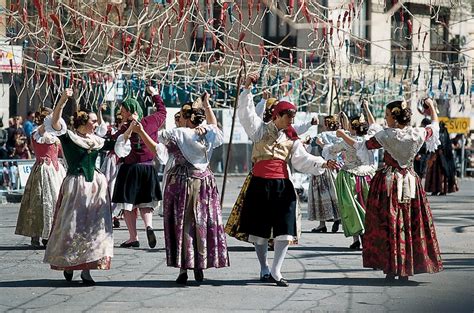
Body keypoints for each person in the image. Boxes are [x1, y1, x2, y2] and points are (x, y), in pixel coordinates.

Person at [236, 74, 338, 287]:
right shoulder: (259, 131)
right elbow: (246, 115)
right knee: (260, 231)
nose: (291, 122)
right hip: (260, 184)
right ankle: (264, 267)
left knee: (285, 229)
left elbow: (302, 161)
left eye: (292, 118)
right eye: (288, 117)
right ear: (276, 116)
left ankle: (276, 270)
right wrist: (247, 91)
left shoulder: (291, 139)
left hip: (283, 185)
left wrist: (323, 163)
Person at [337, 98, 443, 281]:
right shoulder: (417, 134)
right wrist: (432, 106)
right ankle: (406, 267)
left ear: (394, 118)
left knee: (389, 223)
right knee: (409, 223)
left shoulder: (386, 136)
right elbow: (434, 125)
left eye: (386, 115)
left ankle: (391, 267)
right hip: (411, 181)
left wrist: (342, 135)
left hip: (389, 182)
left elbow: (362, 145)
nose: (385, 119)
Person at [132, 93, 229, 285]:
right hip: (205, 183)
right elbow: (215, 125)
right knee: (202, 223)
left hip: (182, 183)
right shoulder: (209, 133)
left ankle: (184, 268)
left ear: (186, 118)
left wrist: (141, 130)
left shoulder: (179, 134)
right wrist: (208, 105)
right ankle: (199, 265)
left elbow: (157, 147)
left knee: (183, 224)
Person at [43, 88, 113, 285]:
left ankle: (87, 270)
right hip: (76, 186)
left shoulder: (97, 141)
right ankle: (69, 263)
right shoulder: (69, 137)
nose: (96, 123)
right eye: (93, 121)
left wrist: (134, 129)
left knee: (94, 228)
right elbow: (55, 120)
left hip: (96, 189)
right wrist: (63, 99)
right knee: (72, 226)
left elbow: (120, 143)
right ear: (83, 123)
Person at [113, 86, 166, 248]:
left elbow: (116, 141)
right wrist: (155, 94)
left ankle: (133, 237)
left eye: (122, 110)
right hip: (148, 167)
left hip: (130, 169)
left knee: (128, 205)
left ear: (129, 111)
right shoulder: (151, 121)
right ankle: (148, 226)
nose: (121, 113)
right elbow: (162, 111)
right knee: (145, 202)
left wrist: (126, 125)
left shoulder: (124, 128)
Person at [327, 101, 377, 249]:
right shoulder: (370, 139)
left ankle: (356, 239)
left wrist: (339, 135)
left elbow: (331, 150)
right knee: (368, 206)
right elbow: (374, 125)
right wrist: (367, 108)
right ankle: (368, 236)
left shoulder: (345, 142)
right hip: (368, 176)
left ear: (352, 128)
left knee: (351, 208)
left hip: (350, 177)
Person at [15, 107, 66, 248]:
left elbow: (61, 153)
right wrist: (53, 116)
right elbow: (42, 131)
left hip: (56, 170)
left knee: (56, 202)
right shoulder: (38, 133)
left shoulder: (55, 135)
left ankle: (51, 235)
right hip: (43, 169)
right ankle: (36, 236)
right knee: (40, 202)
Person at [307, 115, 342, 233]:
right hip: (336, 168)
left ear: (326, 125)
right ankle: (337, 217)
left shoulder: (321, 136)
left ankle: (322, 224)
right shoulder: (341, 136)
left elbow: (310, 146)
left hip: (323, 168)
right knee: (335, 194)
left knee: (320, 196)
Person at [425, 122, 459, 195]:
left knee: (440, 173)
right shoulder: (443, 133)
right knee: (439, 173)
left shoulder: (441, 133)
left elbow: (441, 145)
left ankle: (440, 189)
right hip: (440, 156)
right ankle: (440, 189)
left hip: (440, 156)